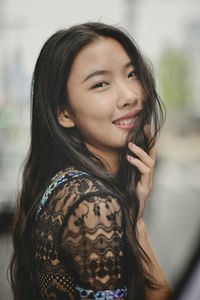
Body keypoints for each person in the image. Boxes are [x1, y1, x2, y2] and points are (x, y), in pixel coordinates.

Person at [10, 22, 172, 300]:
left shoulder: (61, 186)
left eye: (132, 74)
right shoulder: (94, 205)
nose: (131, 96)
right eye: (100, 84)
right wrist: (136, 226)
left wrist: (133, 214)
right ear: (64, 113)